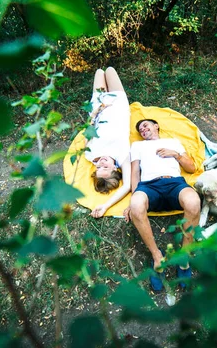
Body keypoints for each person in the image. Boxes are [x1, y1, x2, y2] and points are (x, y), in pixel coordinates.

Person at [123, 119, 201, 291]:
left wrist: (176, 155)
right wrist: (133, 197)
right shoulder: (137, 145)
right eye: (140, 128)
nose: (142, 129)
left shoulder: (173, 142)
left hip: (174, 183)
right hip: (149, 186)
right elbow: (135, 172)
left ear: (157, 126)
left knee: (194, 201)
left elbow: (191, 168)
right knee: (136, 205)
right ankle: (157, 256)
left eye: (145, 125)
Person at [84, 67, 131, 219]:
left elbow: (88, 129)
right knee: (110, 70)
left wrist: (94, 113)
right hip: (118, 104)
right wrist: (105, 206)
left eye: (99, 167)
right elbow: (128, 185)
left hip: (99, 106)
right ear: (115, 169)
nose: (101, 163)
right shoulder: (122, 155)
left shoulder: (90, 154)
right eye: (106, 167)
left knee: (98, 71)